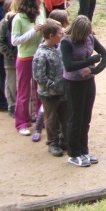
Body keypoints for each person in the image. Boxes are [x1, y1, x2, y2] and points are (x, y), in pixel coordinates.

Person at [61, 15, 106, 167]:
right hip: (72, 84)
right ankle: (73, 153)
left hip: (88, 81)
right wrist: (90, 61)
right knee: (75, 119)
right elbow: (69, 65)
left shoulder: (90, 38)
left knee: (86, 118)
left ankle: (84, 150)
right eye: (84, 34)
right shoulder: (66, 42)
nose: (86, 37)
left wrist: (94, 70)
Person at [11, 0, 46, 135]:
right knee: (24, 92)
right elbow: (15, 41)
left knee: (40, 90)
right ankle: (22, 123)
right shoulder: (18, 19)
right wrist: (34, 31)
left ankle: (40, 119)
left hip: (39, 56)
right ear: (33, 0)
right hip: (25, 58)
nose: (42, 0)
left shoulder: (40, 13)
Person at [32, 19, 68, 157]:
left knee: (65, 117)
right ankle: (53, 143)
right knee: (52, 119)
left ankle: (64, 140)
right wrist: (54, 86)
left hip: (62, 92)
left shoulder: (58, 48)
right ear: (51, 36)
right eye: (60, 34)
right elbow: (39, 77)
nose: (62, 35)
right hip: (49, 94)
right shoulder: (41, 54)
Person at [0, 0, 20, 116]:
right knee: (11, 84)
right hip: (11, 60)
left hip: (19, 58)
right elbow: (0, 41)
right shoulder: (4, 23)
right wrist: (10, 55)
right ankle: (12, 106)